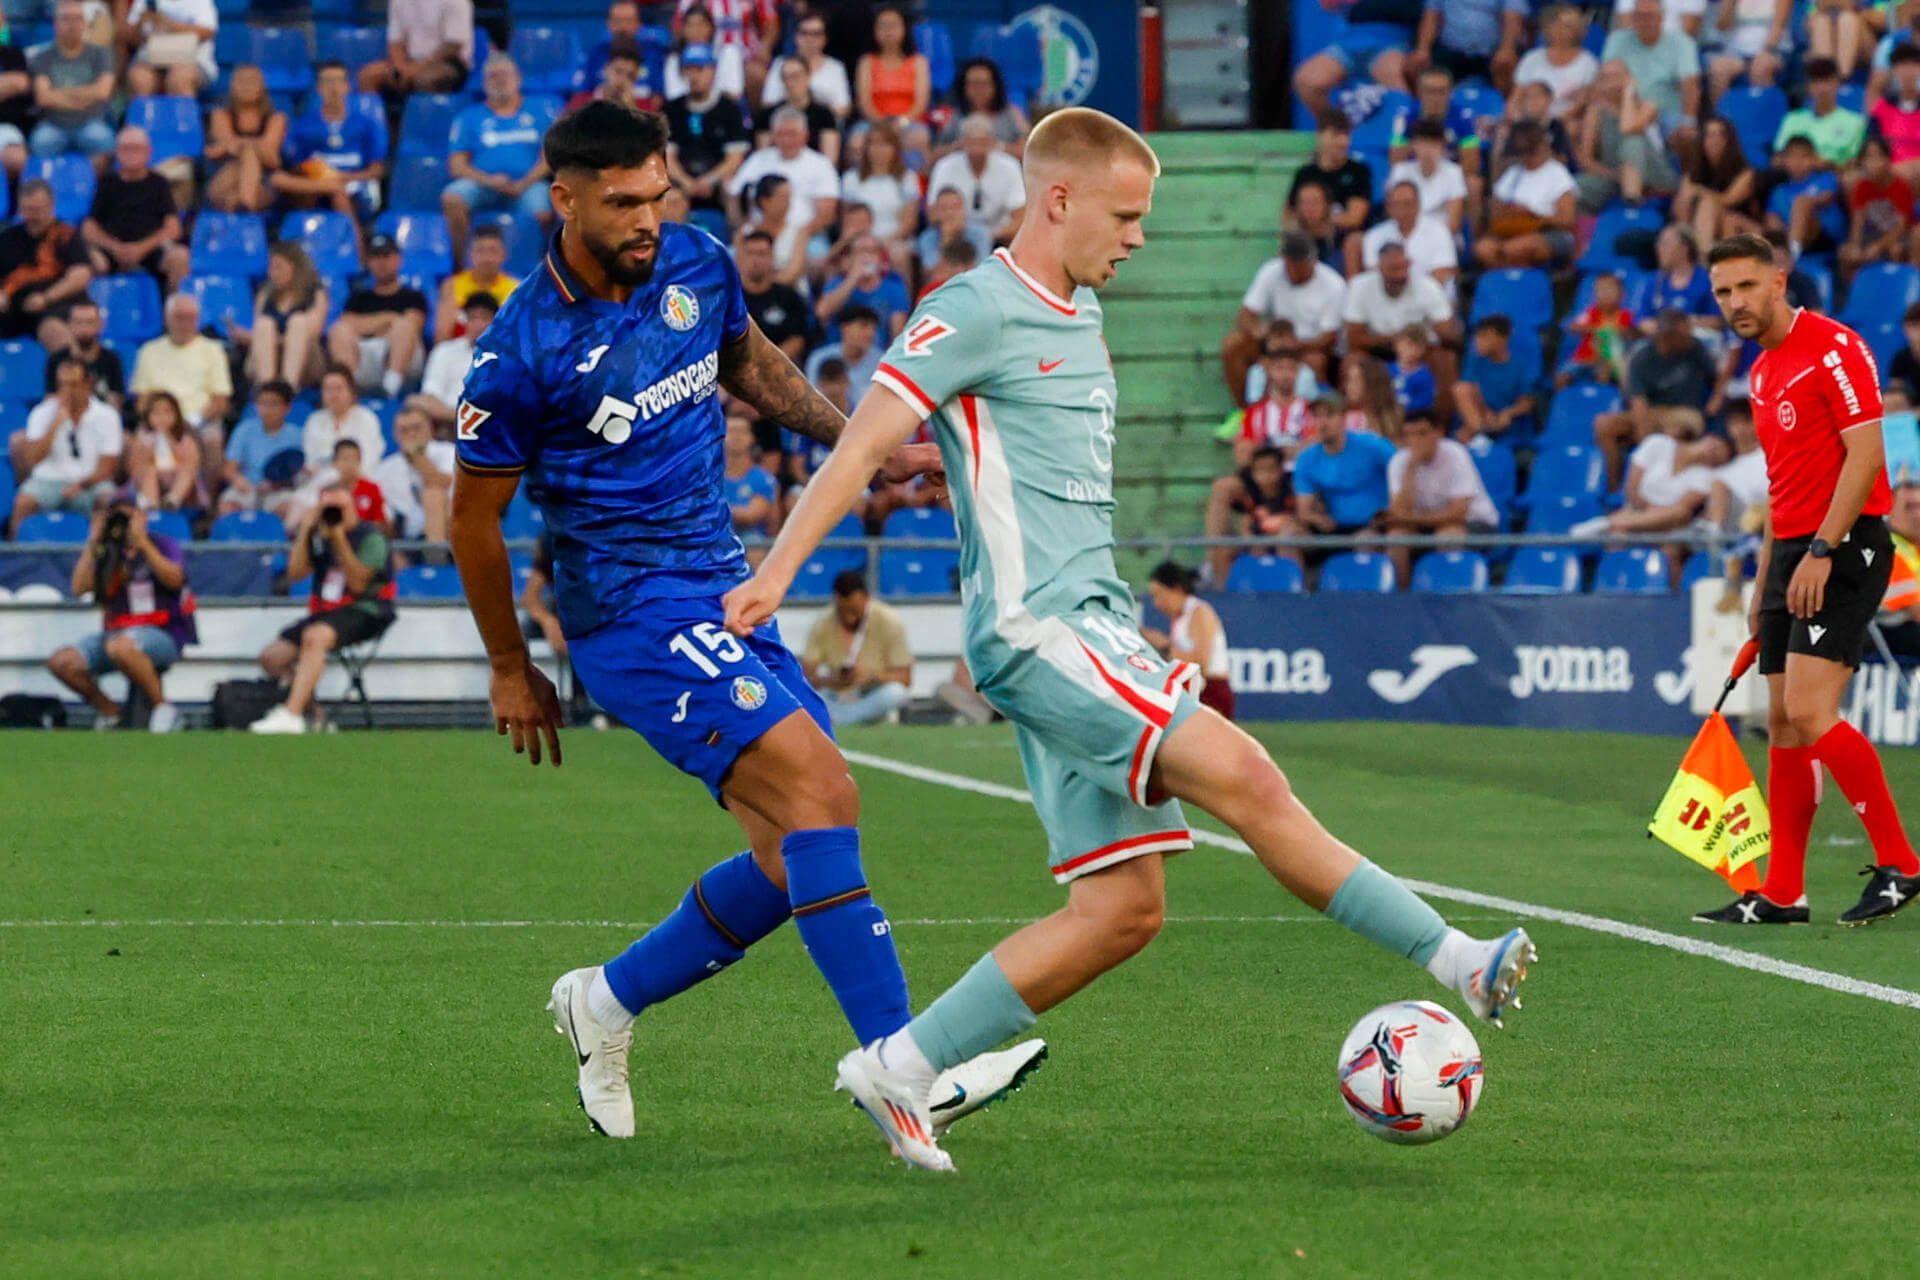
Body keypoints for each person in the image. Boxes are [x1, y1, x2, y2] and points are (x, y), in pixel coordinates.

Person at [721, 107, 1535, 1170]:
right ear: (1058, 200)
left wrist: (946, 458)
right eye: (1127, 215)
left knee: (1120, 909)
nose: (1140, 237)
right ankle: (1456, 955)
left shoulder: (1082, 314)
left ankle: (901, 1066)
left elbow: (989, 446)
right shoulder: (972, 306)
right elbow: (862, 442)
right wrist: (777, 571)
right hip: (1040, 627)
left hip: (1094, 624)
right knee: (1247, 774)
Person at [446, 101, 1039, 1146]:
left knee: (789, 853)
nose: (647, 218)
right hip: (628, 612)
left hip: (725, 588)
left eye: (658, 194)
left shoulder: (695, 263)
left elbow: (752, 366)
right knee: (823, 791)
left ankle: (604, 1000)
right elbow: (472, 522)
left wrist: (862, 451)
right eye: (622, 202)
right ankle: (903, 1068)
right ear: (564, 199)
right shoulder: (517, 353)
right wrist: (508, 662)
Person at [1694, 232, 1920, 925]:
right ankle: (1783, 891)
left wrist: (1822, 549)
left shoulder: (1834, 347)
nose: (1735, 302)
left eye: (1746, 286)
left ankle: (1902, 863)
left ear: (1778, 280)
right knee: (1783, 723)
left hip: (1843, 545)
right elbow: (1780, 486)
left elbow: (1866, 455)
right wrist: (1766, 587)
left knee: (1811, 712)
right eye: (1723, 292)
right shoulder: (1762, 371)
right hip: (1792, 551)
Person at [250, 479, 397, 734]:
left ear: (353, 506)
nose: (334, 514)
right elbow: (295, 573)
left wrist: (339, 539)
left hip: (366, 609)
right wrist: (307, 528)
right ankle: (316, 717)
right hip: (327, 611)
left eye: (340, 508)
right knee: (272, 658)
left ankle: (291, 714)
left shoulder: (371, 537)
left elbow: (358, 584)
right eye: (329, 508)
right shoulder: (320, 536)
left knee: (315, 636)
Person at [47, 492, 195, 732]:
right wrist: (94, 541)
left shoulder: (163, 544)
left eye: (130, 514)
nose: (124, 521)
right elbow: (79, 588)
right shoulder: (109, 551)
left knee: (122, 647)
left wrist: (143, 543)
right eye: (118, 515)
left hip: (163, 632)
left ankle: (163, 708)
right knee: (62, 662)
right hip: (117, 632)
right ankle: (111, 713)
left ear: (142, 517)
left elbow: (175, 580)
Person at [442, 56, 555, 265]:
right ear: (484, 82)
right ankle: (463, 267)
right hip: (483, 183)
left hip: (527, 184)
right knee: (452, 198)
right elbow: (456, 166)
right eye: (493, 75)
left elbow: (549, 159)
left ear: (518, 78)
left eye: (505, 74)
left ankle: (533, 269)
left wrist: (523, 183)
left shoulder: (540, 112)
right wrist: (490, 181)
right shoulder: (468, 117)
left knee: (542, 212)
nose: (499, 80)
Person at [1595, 308, 1721, 485]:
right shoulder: (1642, 359)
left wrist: (1715, 399)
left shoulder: (1696, 348)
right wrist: (1646, 443)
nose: (1689, 337)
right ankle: (1614, 486)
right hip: (1653, 412)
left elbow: (1717, 378)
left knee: (1673, 433)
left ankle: (1659, 484)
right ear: (1666, 337)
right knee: (1603, 424)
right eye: (1683, 335)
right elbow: (1639, 406)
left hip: (1685, 413)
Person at [1381, 409, 1501, 583]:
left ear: (1438, 433)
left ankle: (1447, 594)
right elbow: (1399, 513)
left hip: (1475, 523)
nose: (1415, 441)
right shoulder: (1399, 461)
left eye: (1422, 434)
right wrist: (1410, 470)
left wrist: (1411, 519)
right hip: (1426, 525)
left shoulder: (1456, 454)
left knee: (1448, 535)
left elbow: (1458, 512)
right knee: (1396, 536)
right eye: (1409, 435)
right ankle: (1401, 596)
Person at [6, 354, 121, 533]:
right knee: (23, 503)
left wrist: (82, 485)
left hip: (91, 482)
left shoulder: (107, 416)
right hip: (48, 480)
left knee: (110, 500)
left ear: (88, 384)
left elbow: (108, 467)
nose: (67, 391)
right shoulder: (42, 413)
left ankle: (107, 549)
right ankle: (14, 548)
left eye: (73, 385)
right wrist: (56, 423)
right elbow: (32, 460)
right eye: (62, 385)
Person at [1224, 229, 1346, 392]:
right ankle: (1248, 405)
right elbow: (1245, 315)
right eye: (1289, 264)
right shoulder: (1271, 271)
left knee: (1315, 362)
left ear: (1313, 261)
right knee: (1233, 344)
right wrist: (1259, 332)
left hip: (1310, 346)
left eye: (1299, 265)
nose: (1293, 270)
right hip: (1275, 339)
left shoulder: (1333, 285)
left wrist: (1292, 345)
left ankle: (1308, 406)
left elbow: (1329, 338)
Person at [274, 60, 388, 231]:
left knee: (339, 193)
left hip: (355, 187)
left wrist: (345, 177)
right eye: (327, 81)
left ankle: (357, 243)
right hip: (315, 187)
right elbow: (295, 166)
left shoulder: (366, 124)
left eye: (339, 81)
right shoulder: (302, 126)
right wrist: (319, 174)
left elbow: (377, 170)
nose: (333, 87)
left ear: (347, 86)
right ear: (319, 88)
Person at [79, 126, 187, 290]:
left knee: (180, 257)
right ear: (117, 152)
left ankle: (173, 304)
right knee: (87, 260)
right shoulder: (107, 182)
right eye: (125, 149)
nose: (131, 154)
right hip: (112, 249)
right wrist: (115, 248)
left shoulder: (159, 183)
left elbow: (173, 228)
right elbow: (89, 228)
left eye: (136, 149)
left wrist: (140, 249)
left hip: (151, 249)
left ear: (148, 152)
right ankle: (92, 304)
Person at [801, 569, 913, 726]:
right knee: (808, 695)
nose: (849, 617)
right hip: (836, 694)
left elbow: (905, 678)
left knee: (896, 693)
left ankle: (842, 719)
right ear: (836, 601)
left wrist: (871, 676)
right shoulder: (822, 623)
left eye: (855, 610)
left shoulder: (888, 620)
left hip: (872, 691)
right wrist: (833, 680)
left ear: (867, 599)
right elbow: (806, 676)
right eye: (843, 610)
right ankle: (849, 717)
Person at [326, 233, 429, 397]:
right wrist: (389, 318)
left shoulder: (413, 296)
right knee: (339, 331)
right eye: (376, 257)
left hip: (402, 358)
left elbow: (413, 325)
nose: (381, 262)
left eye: (386, 256)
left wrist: (368, 325)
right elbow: (347, 323)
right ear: (369, 262)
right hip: (364, 355)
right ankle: (349, 391)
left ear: (398, 259)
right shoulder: (359, 297)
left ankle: (390, 389)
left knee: (403, 327)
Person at [1292, 391, 1401, 545]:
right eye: (1317, 416)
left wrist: (1394, 510)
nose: (1322, 423)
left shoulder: (1372, 445)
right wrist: (1317, 519)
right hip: (1333, 529)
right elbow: (1304, 511)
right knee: (1289, 536)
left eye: (1329, 415)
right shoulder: (1306, 459)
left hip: (1373, 526)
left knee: (1365, 540)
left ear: (1343, 418)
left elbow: (1402, 467)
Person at [1573, 59, 1681, 212]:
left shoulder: (1648, 103)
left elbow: (1628, 128)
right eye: (1605, 77)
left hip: (1653, 172)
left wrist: (1628, 93)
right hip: (1616, 175)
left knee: (1632, 141)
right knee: (1576, 187)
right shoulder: (1596, 111)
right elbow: (1585, 159)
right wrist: (1616, 176)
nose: (1610, 82)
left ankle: (1632, 206)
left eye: (1616, 76)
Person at [664, 43, 753, 220]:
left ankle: (735, 234)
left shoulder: (729, 109)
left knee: (731, 189)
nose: (694, 76)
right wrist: (687, 182)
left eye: (700, 69)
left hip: (717, 180)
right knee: (669, 195)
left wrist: (709, 180)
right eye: (689, 69)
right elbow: (668, 156)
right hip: (682, 180)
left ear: (713, 71)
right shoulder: (673, 109)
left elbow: (734, 158)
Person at [729, 105, 840, 244]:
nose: (787, 140)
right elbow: (734, 195)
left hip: (806, 236)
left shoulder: (820, 164)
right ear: (773, 136)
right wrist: (742, 225)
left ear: (806, 135)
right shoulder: (758, 160)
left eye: (792, 134)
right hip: (758, 235)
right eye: (781, 134)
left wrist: (796, 236)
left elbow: (827, 214)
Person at [1474, 120, 1578, 268]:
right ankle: (1512, 275)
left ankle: (1514, 275)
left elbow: (1567, 220)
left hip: (1548, 233)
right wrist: (1507, 209)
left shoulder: (1558, 174)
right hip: (1512, 230)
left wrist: (1533, 214)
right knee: (1483, 249)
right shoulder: (1513, 174)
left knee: (1515, 248)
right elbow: (1495, 211)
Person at [0, 177, 90, 347]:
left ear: (51, 205)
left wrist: (46, 298)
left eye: (38, 209)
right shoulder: (7, 238)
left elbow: (81, 275)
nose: (33, 216)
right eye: (28, 210)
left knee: (53, 330)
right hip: (14, 307)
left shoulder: (66, 235)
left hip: (55, 305)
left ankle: (71, 363)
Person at [1602, 0, 1702, 151]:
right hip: (1622, 106)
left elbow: (1690, 85)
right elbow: (1605, 77)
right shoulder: (1617, 39)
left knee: (1685, 137)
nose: (1644, 21)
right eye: (1639, 16)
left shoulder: (1682, 42)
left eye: (1649, 16)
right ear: (1632, 18)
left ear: (1662, 17)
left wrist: (1689, 122)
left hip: (1665, 111)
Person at [1140, 561, 1234, 720]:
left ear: (1176, 590)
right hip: (1194, 691)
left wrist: (1164, 646)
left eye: (1159, 594)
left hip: (1212, 692)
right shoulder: (1180, 618)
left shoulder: (1199, 612)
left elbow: (1201, 662)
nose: (1156, 603)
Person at [1293, 0, 1422, 115]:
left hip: (1393, 41)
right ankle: (1335, 129)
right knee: (1307, 81)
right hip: (1351, 40)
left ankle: (1405, 131)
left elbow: (1426, 11)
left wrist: (1422, 49)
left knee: (1393, 82)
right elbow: (1328, 5)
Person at [28, 0, 113, 165]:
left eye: (78, 19)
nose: (72, 24)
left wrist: (59, 93)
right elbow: (43, 98)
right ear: (56, 24)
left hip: (91, 123)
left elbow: (103, 92)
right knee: (39, 143)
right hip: (53, 125)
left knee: (105, 143)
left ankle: (91, 181)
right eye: (66, 18)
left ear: (85, 24)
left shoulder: (101, 54)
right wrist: (86, 95)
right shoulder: (41, 57)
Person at [130, 292, 231, 433]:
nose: (185, 324)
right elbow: (142, 399)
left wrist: (193, 421)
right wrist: (162, 421)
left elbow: (220, 400)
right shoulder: (148, 351)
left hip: (201, 422)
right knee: (142, 439)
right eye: (179, 317)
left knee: (213, 437)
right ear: (167, 319)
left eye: (190, 318)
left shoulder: (214, 350)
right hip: (158, 422)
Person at [239, 241, 329, 392]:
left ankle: (288, 389)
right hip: (268, 356)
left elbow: (313, 332)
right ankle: (267, 389)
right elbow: (259, 334)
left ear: (295, 268)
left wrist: (274, 340)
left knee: (298, 322)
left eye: (279, 267)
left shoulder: (315, 293)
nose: (273, 273)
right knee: (264, 324)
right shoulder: (265, 295)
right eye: (271, 268)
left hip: (305, 358)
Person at [925, 115, 1026, 244]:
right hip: (955, 235)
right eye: (971, 143)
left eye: (982, 142)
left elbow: (1020, 216)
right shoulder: (945, 167)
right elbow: (933, 213)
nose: (977, 149)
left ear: (992, 142)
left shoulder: (1010, 166)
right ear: (962, 142)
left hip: (1000, 236)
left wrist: (988, 235)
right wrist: (957, 229)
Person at [203, 64, 284, 213]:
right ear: (232, 86)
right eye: (241, 81)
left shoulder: (276, 118)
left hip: (262, 182)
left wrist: (239, 146)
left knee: (233, 199)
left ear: (262, 87)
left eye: (252, 81)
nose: (247, 86)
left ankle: (243, 205)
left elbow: (271, 158)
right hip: (224, 179)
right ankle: (245, 207)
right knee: (249, 153)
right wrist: (253, 147)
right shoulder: (220, 115)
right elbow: (227, 143)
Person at [412, 291, 497, 434]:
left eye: (484, 318)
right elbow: (430, 395)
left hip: (489, 429)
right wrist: (458, 417)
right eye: (472, 318)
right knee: (414, 402)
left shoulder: (508, 358)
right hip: (446, 425)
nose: (478, 324)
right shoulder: (444, 350)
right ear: (465, 321)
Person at [217, 379, 303, 518]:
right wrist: (239, 480)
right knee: (228, 506)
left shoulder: (296, 435)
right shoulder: (244, 429)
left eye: (273, 404)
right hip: (247, 488)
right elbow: (229, 468)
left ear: (287, 408)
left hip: (279, 492)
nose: (267, 409)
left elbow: (297, 473)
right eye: (262, 403)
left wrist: (276, 485)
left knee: (289, 509)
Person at [852, 4, 929, 156]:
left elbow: (921, 103)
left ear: (904, 29)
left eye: (893, 26)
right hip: (873, 122)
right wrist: (882, 125)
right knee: (857, 142)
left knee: (918, 138)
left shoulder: (919, 62)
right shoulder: (866, 62)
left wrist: (902, 123)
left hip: (909, 122)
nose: (888, 31)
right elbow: (864, 102)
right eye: (883, 26)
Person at [1357, 180, 1458, 293]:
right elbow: (1374, 276)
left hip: (1431, 297)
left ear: (1418, 205)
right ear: (1388, 207)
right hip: (1390, 298)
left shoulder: (1439, 231)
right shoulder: (1374, 235)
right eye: (1396, 204)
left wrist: (1410, 296)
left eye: (1407, 203)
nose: (1401, 209)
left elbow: (1442, 274)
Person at [841, 121, 919, 266]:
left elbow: (909, 222)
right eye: (874, 144)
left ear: (895, 148)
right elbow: (848, 221)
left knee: (898, 254)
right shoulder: (851, 179)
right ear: (866, 148)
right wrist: (867, 243)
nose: (879, 149)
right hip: (860, 239)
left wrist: (884, 242)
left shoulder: (907, 178)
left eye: (885, 144)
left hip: (895, 240)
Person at [1677, 115, 1760, 248]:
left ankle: (1703, 255)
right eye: (1709, 135)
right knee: (1683, 202)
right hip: (1703, 223)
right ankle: (1685, 245)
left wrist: (1699, 191)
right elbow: (1684, 197)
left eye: (1720, 135)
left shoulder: (1745, 173)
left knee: (1710, 206)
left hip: (1740, 224)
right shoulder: (1694, 172)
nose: (1714, 141)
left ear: (1729, 140)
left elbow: (1727, 200)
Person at [372, 405, 454, 541]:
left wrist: (418, 457)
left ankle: (435, 552)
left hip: (449, 525)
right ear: (395, 434)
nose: (411, 434)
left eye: (417, 428)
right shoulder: (385, 468)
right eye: (404, 430)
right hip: (406, 532)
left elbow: (442, 483)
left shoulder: (448, 452)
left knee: (433, 495)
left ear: (430, 429)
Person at [358, 0, 472, 96]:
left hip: (448, 63)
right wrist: (400, 68)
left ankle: (420, 115)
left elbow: (453, 47)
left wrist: (415, 69)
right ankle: (376, 116)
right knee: (369, 75)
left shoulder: (456, 2)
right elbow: (395, 42)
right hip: (410, 61)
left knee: (424, 80)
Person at [1456, 314, 1537, 448]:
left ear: (1503, 339)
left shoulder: (1518, 368)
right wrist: (1486, 413)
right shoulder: (1475, 361)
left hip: (1505, 424)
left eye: (1485, 337)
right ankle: (1480, 436)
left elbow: (1527, 402)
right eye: (1477, 336)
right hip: (1481, 418)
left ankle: (1479, 437)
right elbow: (1471, 390)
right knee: (1461, 389)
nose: (1478, 341)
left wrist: (1508, 413)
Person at [1840, 134, 1917, 273]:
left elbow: (1901, 227)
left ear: (1888, 160)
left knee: (1896, 249)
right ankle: (1854, 284)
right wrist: (1855, 245)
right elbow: (1858, 220)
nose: (1872, 163)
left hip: (1899, 236)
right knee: (1845, 252)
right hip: (1876, 233)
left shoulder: (1900, 187)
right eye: (1868, 157)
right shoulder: (1862, 187)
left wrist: (1879, 247)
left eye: (1878, 156)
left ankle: (1897, 280)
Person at [1774, 57, 1868, 168]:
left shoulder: (1855, 122)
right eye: (1816, 82)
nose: (1821, 88)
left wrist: (1823, 164)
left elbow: (1854, 163)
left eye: (1827, 81)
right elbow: (1778, 158)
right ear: (1808, 87)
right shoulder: (1792, 119)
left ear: (1837, 83)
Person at [815, 233, 909, 341]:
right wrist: (853, 278)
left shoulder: (894, 287)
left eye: (873, 251)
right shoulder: (837, 282)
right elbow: (822, 312)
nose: (868, 256)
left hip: (877, 349)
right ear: (850, 257)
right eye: (862, 251)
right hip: (838, 348)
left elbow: (897, 335)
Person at [1515, 6, 1600, 123]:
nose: (1562, 30)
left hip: (1566, 122)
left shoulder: (1589, 63)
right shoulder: (1531, 59)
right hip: (1529, 121)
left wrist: (1552, 123)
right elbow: (1516, 97)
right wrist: (1517, 118)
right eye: (1559, 24)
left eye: (1570, 26)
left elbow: (1583, 103)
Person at [301, 362, 386, 479]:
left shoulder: (366, 418)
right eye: (328, 389)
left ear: (351, 391)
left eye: (338, 389)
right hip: (320, 483)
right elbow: (311, 462)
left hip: (358, 482)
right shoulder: (314, 421)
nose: (333, 395)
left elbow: (368, 462)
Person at [736, 228, 809, 362]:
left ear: (772, 257)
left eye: (761, 254)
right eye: (750, 253)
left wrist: (767, 364)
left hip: (779, 366)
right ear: (739, 258)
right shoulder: (728, 299)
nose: (755, 260)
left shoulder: (789, 298)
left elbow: (797, 339)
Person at [934, 57, 1030, 158]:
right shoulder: (953, 115)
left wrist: (999, 146)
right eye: (973, 84)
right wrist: (957, 147)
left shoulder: (1012, 113)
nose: (978, 90)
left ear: (995, 86)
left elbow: (1029, 151)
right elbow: (935, 154)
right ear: (963, 87)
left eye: (983, 84)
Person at [761, 10, 850, 119]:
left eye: (816, 34)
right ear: (796, 36)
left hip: (824, 125)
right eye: (804, 33)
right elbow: (768, 103)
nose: (810, 39)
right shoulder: (780, 63)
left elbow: (843, 108)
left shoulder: (836, 68)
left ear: (825, 39)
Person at [127, 389, 204, 514]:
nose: (161, 417)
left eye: (167, 412)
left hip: (177, 480)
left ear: (177, 415)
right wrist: (148, 453)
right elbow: (133, 466)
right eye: (156, 413)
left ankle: (172, 501)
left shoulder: (184, 440)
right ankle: (152, 507)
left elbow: (193, 464)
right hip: (149, 481)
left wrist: (174, 447)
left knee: (186, 472)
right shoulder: (142, 439)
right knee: (149, 472)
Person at [435, 225, 516, 343]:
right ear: (471, 255)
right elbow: (442, 334)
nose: (486, 258)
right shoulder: (452, 285)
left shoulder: (515, 288)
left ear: (503, 255)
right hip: (460, 347)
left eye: (493, 251)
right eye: (480, 251)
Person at [1386, 119, 1469, 234]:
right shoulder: (1400, 171)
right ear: (1413, 145)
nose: (1427, 151)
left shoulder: (1454, 172)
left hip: (1442, 235)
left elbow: (1454, 223)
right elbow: (1393, 213)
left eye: (1433, 144)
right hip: (1404, 233)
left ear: (1442, 146)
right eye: (1423, 144)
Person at [122, 0, 217, 98]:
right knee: (139, 79)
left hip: (192, 61)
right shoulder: (144, 2)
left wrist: (169, 25)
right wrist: (141, 24)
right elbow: (131, 38)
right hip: (150, 60)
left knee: (179, 79)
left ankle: (183, 108)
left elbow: (207, 32)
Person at [44, 296, 122, 409]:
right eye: (79, 322)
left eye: (89, 322)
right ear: (69, 325)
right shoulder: (56, 360)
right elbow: (51, 401)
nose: (84, 328)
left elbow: (115, 402)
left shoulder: (112, 360)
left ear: (100, 325)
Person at [1704, 0, 1791, 99]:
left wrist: (1766, 52)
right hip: (1736, 52)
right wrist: (1730, 3)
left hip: (1773, 49)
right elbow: (1722, 26)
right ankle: (1723, 109)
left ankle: (1764, 108)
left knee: (1760, 68)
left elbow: (1778, 26)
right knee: (1718, 70)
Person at [803, 302, 881, 405]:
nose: (870, 333)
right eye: (863, 326)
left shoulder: (882, 363)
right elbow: (811, 400)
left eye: (873, 328)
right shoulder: (819, 358)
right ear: (845, 328)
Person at [665, 4, 747, 100]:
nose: (696, 31)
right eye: (690, 26)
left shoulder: (726, 53)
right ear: (683, 30)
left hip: (722, 107)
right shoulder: (674, 59)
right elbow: (675, 98)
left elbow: (733, 94)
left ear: (711, 28)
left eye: (701, 25)